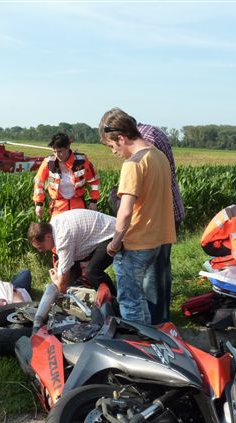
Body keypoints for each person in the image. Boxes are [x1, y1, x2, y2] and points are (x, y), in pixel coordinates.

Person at [99, 108, 176, 326]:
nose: (114, 152)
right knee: (140, 297)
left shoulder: (133, 164)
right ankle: (150, 338)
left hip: (136, 243)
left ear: (121, 138)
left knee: (130, 300)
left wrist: (114, 245)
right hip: (157, 239)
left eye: (113, 146)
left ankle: (139, 346)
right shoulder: (158, 156)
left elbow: (124, 213)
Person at [28, 209, 117, 296]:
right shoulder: (54, 224)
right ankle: (80, 295)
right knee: (72, 270)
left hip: (113, 235)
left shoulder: (62, 239)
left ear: (47, 236)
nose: (40, 251)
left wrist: (56, 284)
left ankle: (114, 301)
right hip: (101, 234)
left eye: (40, 247)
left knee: (92, 272)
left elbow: (62, 283)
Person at [32, 132, 100, 219]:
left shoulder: (82, 160)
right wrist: (39, 204)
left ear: (68, 147)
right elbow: (39, 182)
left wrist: (93, 201)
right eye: (54, 152)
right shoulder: (48, 162)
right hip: (57, 206)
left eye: (60, 151)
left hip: (78, 205)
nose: (57, 155)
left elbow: (94, 181)